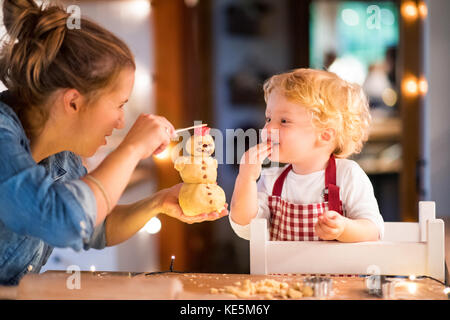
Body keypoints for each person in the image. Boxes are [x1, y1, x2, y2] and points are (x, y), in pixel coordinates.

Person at [0, 0, 227, 286]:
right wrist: (130, 149)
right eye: (119, 105)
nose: (121, 122)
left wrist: (158, 202)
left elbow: (96, 225)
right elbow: (63, 219)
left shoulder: (62, 158)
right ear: (73, 102)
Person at [229, 68, 384, 242]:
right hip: (279, 270)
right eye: (268, 119)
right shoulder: (270, 179)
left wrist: (343, 229)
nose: (268, 129)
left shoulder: (348, 175)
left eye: (284, 121)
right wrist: (246, 178)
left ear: (325, 135)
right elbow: (246, 228)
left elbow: (373, 231)